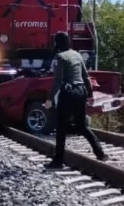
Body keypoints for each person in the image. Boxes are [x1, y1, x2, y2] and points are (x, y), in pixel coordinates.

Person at [44, 31, 108, 168]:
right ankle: (100, 153)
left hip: (68, 93)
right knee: (81, 125)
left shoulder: (60, 57)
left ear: (57, 43)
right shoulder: (77, 55)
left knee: (61, 127)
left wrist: (50, 99)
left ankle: (58, 161)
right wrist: (90, 95)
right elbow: (86, 77)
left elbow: (58, 81)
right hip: (81, 92)